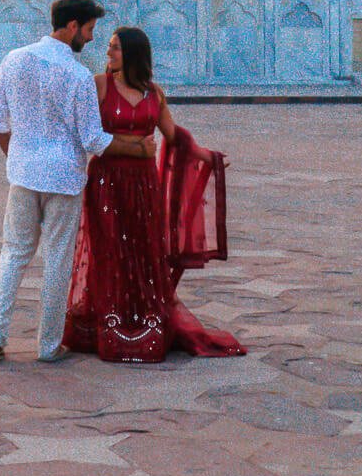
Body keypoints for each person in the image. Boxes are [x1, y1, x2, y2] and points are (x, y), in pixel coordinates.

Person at [0, 0, 151, 365]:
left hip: (24, 174)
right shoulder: (76, 75)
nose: (90, 38)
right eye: (89, 30)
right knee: (58, 260)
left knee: (13, 253)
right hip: (63, 177)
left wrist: (20, 157)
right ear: (73, 26)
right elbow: (94, 139)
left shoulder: (15, 59)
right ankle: (47, 346)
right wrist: (136, 147)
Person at [64, 25, 243, 362]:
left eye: (115, 48)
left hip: (145, 185)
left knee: (143, 249)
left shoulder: (154, 94)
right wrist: (134, 146)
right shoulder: (99, 86)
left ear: (131, 53)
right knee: (112, 249)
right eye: (109, 47)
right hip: (107, 183)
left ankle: (143, 321)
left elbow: (172, 135)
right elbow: (87, 133)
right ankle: (112, 324)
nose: (108, 53)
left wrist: (208, 159)